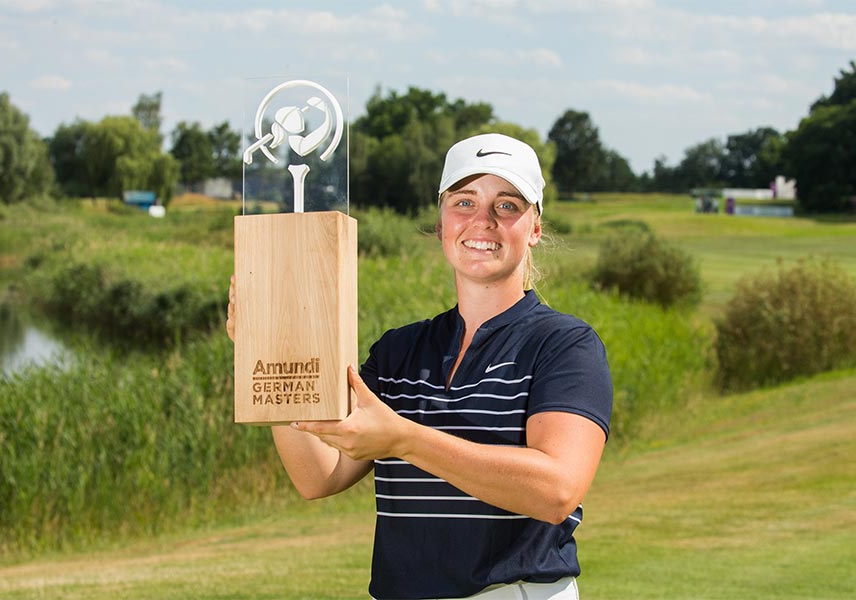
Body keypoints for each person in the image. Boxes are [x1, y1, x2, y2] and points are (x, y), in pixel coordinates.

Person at [226, 133, 613, 600]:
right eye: (464, 201)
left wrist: (404, 438)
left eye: (507, 206)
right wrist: (266, 347)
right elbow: (318, 475)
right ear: (443, 219)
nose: (483, 221)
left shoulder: (564, 345)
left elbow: (555, 490)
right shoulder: (399, 351)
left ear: (534, 228)